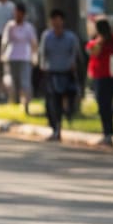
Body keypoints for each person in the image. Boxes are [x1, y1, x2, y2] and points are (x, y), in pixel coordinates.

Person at [39, 9, 83, 141]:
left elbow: (76, 54)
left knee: (68, 100)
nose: (56, 23)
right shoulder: (47, 36)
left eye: (58, 20)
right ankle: (55, 128)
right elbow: (42, 54)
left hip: (67, 73)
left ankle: (68, 115)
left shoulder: (71, 38)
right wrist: (42, 67)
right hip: (52, 73)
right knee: (52, 103)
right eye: (54, 20)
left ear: (63, 21)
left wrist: (74, 65)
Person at [86, 18, 113, 146]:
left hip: (104, 75)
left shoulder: (112, 40)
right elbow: (92, 52)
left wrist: (100, 42)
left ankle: (108, 131)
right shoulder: (100, 41)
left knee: (104, 103)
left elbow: (95, 53)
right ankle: (108, 130)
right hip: (108, 74)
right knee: (107, 103)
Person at [0, 2, 38, 112]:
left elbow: (33, 43)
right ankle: (14, 101)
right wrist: (2, 53)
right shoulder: (10, 26)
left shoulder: (28, 27)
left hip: (25, 57)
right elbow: (5, 41)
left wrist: (35, 56)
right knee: (13, 81)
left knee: (25, 81)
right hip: (12, 57)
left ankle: (26, 103)